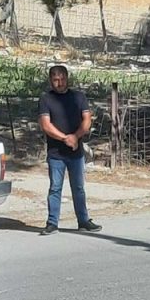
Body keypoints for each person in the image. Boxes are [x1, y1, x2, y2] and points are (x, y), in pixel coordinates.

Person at [38, 65, 102, 235]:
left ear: (67, 79)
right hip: (56, 153)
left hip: (76, 153)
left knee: (78, 188)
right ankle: (52, 223)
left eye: (62, 79)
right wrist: (65, 138)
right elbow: (45, 125)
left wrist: (76, 136)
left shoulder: (78, 97)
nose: (59, 83)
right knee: (55, 188)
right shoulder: (46, 99)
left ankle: (83, 221)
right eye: (56, 80)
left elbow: (87, 120)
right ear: (50, 81)